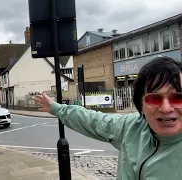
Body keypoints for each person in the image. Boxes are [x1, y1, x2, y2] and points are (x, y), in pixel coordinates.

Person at [33, 56, 182, 180]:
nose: (166, 108)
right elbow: (92, 121)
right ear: (141, 104)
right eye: (154, 99)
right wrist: (56, 108)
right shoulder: (131, 127)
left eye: (177, 98)